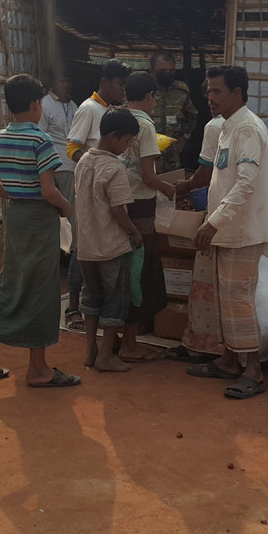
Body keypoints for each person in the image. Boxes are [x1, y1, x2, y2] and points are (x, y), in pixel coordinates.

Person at [0, 74, 80, 388]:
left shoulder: (1, 136)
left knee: (10, 282)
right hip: (40, 218)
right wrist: (67, 208)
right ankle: (38, 369)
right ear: (37, 104)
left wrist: (11, 194)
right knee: (42, 288)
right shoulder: (40, 140)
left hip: (17, 217)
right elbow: (50, 191)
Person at [184, 66, 268, 399]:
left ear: (237, 92)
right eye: (209, 91)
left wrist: (214, 222)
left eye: (217, 91)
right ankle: (228, 361)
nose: (210, 97)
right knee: (226, 297)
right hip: (229, 227)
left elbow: (246, 183)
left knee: (238, 300)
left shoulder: (247, 128)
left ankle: (253, 370)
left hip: (242, 230)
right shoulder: (227, 127)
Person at [63, 60, 131, 331]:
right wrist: (92, 168)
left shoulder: (112, 111)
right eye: (119, 84)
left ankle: (93, 305)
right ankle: (72, 306)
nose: (122, 90)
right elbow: (72, 146)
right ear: (105, 82)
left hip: (105, 184)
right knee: (83, 246)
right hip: (90, 185)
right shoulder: (88, 109)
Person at [75, 108, 144, 373]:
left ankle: (91, 350)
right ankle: (106, 355)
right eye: (126, 141)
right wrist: (135, 233)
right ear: (114, 137)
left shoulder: (83, 161)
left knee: (91, 299)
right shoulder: (114, 167)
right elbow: (118, 210)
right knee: (115, 300)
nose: (126, 148)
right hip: (111, 247)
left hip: (86, 246)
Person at [119, 72, 179, 362]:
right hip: (141, 206)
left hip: (118, 203)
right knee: (139, 272)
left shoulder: (116, 117)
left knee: (121, 270)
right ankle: (130, 342)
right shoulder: (145, 125)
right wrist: (172, 190)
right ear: (150, 96)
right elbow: (148, 176)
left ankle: (118, 338)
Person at [165, 111, 225, 363]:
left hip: (217, 213)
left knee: (204, 278)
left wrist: (185, 187)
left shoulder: (214, 126)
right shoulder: (250, 125)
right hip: (232, 216)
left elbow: (204, 174)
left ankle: (202, 345)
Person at [39, 75, 80, 284]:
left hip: (74, 164)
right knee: (62, 212)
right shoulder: (45, 105)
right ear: (52, 83)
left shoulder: (73, 105)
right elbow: (41, 136)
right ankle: (60, 256)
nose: (65, 84)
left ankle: (68, 255)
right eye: (61, 80)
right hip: (57, 166)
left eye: (67, 80)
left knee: (71, 213)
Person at [150, 52, 199, 173]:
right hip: (149, 157)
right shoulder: (144, 91)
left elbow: (192, 116)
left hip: (174, 157)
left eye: (171, 71)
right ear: (152, 70)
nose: (167, 74)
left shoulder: (181, 91)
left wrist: (184, 139)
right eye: (162, 71)